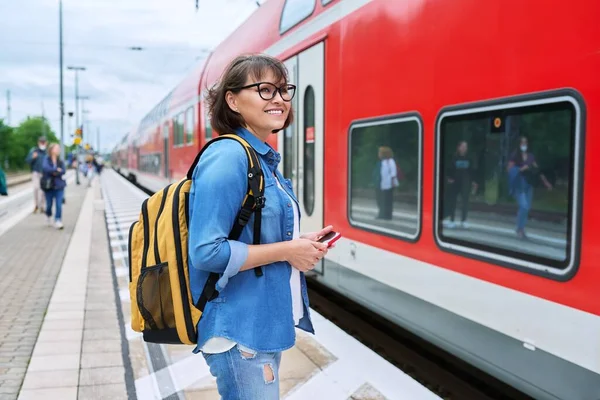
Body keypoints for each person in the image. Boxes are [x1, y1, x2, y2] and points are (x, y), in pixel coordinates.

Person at [188, 54, 333, 400]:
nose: (279, 99)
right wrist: (287, 250)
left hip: (260, 326)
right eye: (265, 89)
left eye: (284, 90)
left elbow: (254, 231)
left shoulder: (262, 160)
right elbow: (206, 250)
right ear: (233, 99)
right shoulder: (229, 156)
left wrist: (299, 243)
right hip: (240, 330)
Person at [507, 136, 552, 238]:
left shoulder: (531, 156)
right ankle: (519, 228)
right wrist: (520, 169)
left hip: (529, 184)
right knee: (524, 206)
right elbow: (509, 170)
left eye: (525, 143)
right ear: (519, 144)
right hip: (519, 184)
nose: (524, 145)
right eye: (522, 143)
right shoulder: (515, 155)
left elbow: (537, 170)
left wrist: (546, 182)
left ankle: (521, 229)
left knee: (526, 208)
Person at [444, 141, 477, 228]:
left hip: (465, 182)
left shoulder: (469, 158)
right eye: (462, 146)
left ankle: (464, 220)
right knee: (452, 201)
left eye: (465, 147)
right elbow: (448, 168)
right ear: (458, 147)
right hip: (455, 182)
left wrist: (473, 181)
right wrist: (449, 178)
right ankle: (451, 220)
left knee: (465, 201)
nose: (464, 148)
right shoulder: (453, 157)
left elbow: (472, 170)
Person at [41, 143, 66, 229]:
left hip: (59, 185)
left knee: (59, 204)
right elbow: (45, 168)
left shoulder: (60, 161)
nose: (58, 150)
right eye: (56, 148)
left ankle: (58, 220)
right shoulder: (46, 159)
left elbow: (63, 171)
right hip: (49, 186)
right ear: (51, 150)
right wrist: (56, 170)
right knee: (49, 204)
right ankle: (48, 215)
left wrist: (55, 171)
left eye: (59, 148)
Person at [374, 146, 398, 220]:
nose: (379, 154)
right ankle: (382, 213)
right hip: (380, 184)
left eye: (380, 153)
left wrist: (393, 182)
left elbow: (393, 172)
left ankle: (387, 215)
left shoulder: (390, 161)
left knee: (387, 200)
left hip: (388, 184)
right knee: (380, 199)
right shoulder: (381, 162)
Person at [25, 136, 47, 213]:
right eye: (41, 142)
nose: (42, 143)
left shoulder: (47, 152)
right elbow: (27, 161)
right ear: (38, 143)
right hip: (36, 172)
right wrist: (33, 157)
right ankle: (36, 205)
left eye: (44, 142)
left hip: (44, 173)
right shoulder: (34, 151)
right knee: (36, 188)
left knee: (43, 190)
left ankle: (42, 206)